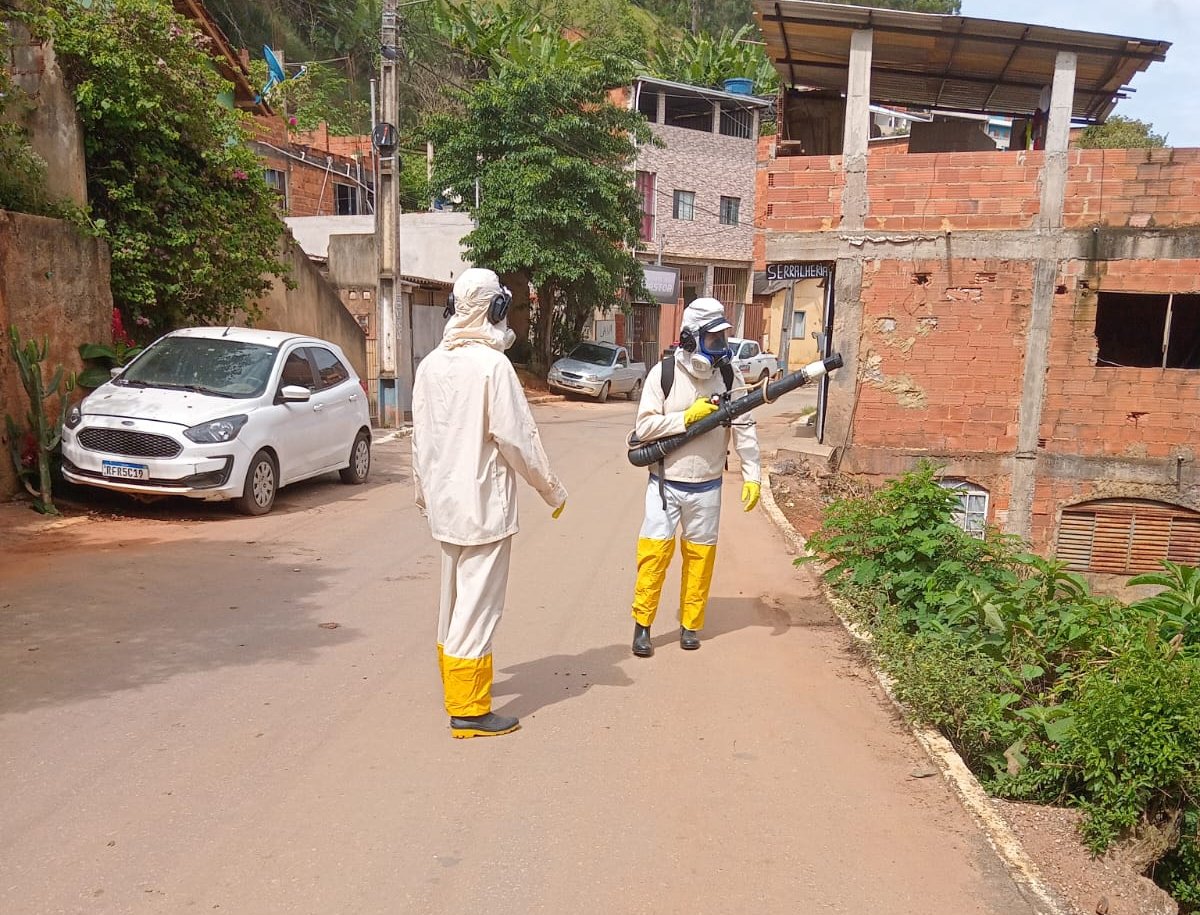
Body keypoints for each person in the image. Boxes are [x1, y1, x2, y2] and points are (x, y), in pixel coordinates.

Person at [412, 267, 568, 739]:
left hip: (445, 508)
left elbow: (419, 441)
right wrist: (551, 490)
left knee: (452, 604)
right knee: (478, 609)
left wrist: (423, 495)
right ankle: (469, 709)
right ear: (495, 309)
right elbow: (517, 439)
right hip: (483, 510)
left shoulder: (430, 365)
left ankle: (455, 686)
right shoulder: (491, 367)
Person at [628, 297, 761, 657]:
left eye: (722, 340)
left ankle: (691, 625)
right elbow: (644, 428)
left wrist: (753, 475)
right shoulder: (665, 374)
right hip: (665, 486)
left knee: (701, 559)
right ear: (690, 339)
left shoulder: (730, 375)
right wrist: (686, 417)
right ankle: (643, 626)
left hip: (708, 487)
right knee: (654, 558)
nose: (719, 349)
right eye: (712, 340)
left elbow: (745, 427)